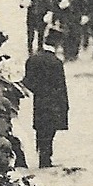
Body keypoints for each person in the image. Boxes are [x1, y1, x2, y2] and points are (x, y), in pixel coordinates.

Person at [22, 28, 69, 169]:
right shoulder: (56, 62)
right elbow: (61, 86)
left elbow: (27, 82)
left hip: (39, 100)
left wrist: (38, 90)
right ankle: (46, 157)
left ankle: (42, 155)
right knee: (50, 130)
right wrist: (65, 105)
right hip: (54, 101)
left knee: (40, 128)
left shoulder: (33, 59)